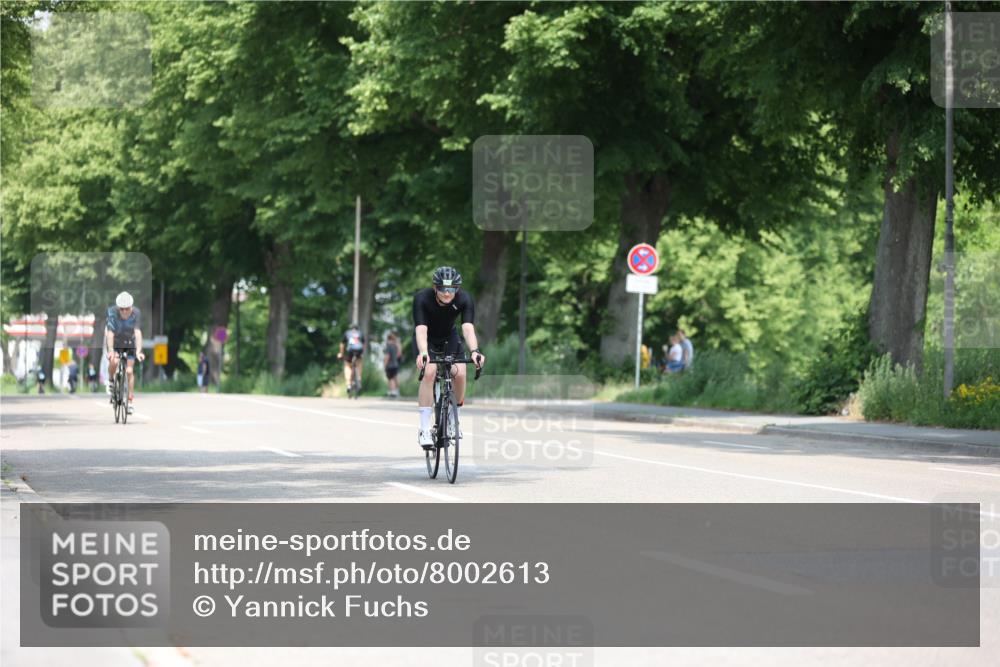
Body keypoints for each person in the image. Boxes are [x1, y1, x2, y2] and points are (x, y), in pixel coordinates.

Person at [413, 266, 485, 450]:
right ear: (435, 287)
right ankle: (424, 428)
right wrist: (423, 352)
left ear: (457, 289)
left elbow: (467, 328)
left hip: (449, 338)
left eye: (451, 289)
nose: (447, 293)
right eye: (443, 289)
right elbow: (421, 330)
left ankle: (453, 419)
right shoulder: (422, 298)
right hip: (427, 340)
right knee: (429, 371)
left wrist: (475, 351)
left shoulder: (465, 299)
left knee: (460, 374)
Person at [106, 291, 145, 414]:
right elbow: (110, 333)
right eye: (121, 309)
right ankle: (111, 380)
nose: (124, 312)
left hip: (129, 341)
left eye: (126, 309)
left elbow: (137, 332)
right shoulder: (112, 312)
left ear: (131, 307)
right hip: (116, 341)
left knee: (129, 370)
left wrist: (138, 351)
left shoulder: (136, 313)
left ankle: (130, 401)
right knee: (114, 361)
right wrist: (111, 350)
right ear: (118, 308)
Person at [338, 323, 366, 394]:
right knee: (359, 363)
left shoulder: (347, 333)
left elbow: (342, 344)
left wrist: (341, 353)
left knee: (347, 365)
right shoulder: (360, 333)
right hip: (359, 351)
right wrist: (362, 353)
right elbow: (363, 344)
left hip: (350, 351)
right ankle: (359, 378)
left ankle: (348, 385)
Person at [383, 331, 401, 398]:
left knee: (390, 378)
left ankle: (393, 392)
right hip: (395, 364)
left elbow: (387, 356)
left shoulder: (388, 346)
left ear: (388, 339)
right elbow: (399, 354)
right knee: (395, 377)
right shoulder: (395, 345)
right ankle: (396, 391)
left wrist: (385, 365)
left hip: (390, 365)